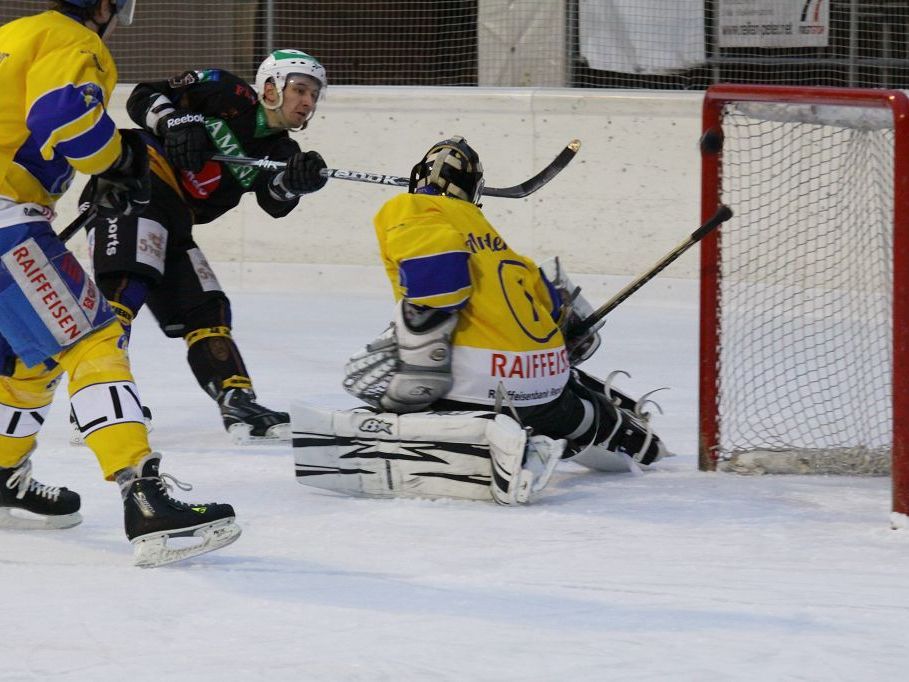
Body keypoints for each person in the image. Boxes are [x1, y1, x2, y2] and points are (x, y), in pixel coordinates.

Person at [291, 135, 668, 505]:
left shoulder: (408, 208)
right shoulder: (490, 235)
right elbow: (557, 307)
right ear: (476, 192)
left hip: (483, 390)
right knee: (560, 399)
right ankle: (615, 427)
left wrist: (412, 375)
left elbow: (442, 285)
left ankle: (493, 438)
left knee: (371, 367)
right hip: (548, 389)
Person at [0, 0, 240, 567]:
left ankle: (3, 474)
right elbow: (65, 116)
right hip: (6, 223)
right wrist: (118, 158)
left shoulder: (12, 33)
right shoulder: (73, 40)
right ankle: (143, 493)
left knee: (26, 363)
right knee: (91, 338)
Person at [75, 48, 329, 444]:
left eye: (314, 95)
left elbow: (274, 201)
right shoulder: (224, 90)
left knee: (205, 306)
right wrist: (176, 121)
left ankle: (236, 399)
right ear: (270, 87)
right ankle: (95, 401)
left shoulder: (282, 153)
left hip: (174, 218)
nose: (307, 102)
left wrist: (296, 182)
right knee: (127, 282)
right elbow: (143, 94)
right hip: (135, 186)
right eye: (299, 89)